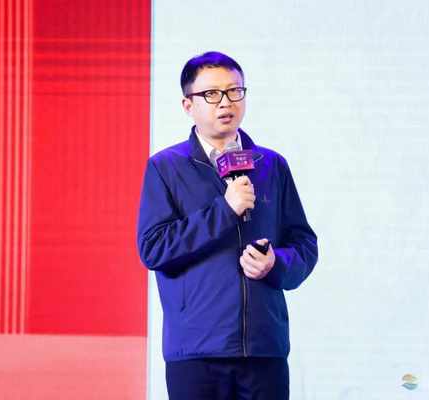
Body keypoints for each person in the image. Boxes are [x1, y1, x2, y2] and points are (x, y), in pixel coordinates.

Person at [136, 51, 318, 400]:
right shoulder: (165, 167)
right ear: (188, 105)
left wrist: (276, 263)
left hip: (264, 349)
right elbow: (154, 248)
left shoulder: (271, 165)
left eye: (235, 91)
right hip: (197, 351)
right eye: (211, 94)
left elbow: (304, 245)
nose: (225, 102)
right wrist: (224, 209)